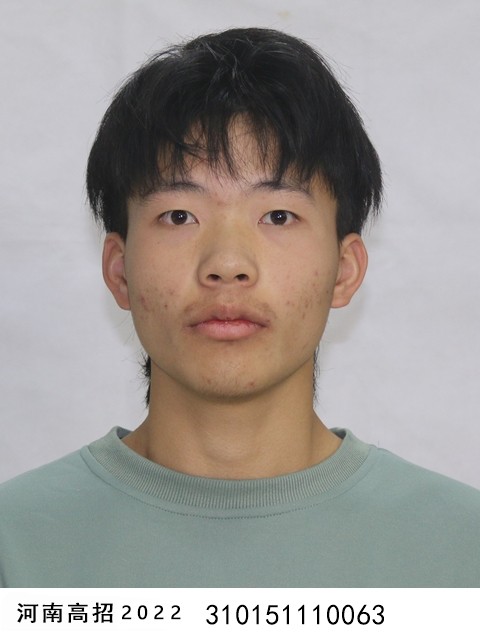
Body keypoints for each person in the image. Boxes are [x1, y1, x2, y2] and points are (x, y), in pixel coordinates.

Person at [0, 27, 479, 588]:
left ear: (345, 270)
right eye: (179, 216)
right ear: (120, 269)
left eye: (278, 216)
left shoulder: (458, 550)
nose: (227, 264)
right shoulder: (17, 548)